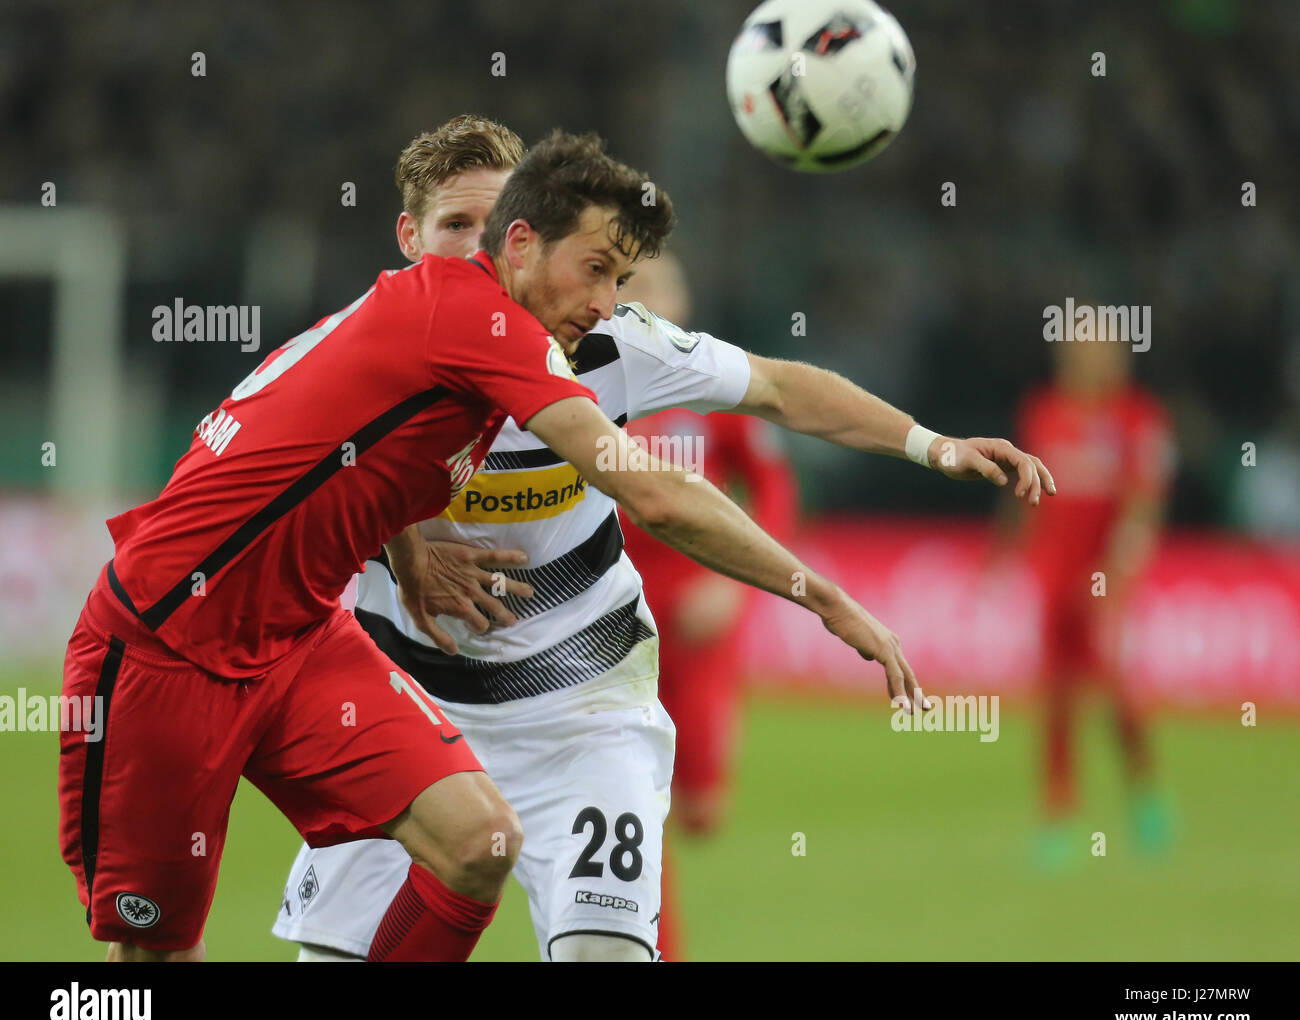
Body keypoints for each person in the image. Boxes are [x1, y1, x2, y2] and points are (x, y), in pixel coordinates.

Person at [60, 127, 941, 963]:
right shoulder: (482, 324)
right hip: (167, 641)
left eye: (621, 277)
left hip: (302, 638)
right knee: (155, 952)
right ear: (516, 244)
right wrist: (822, 595)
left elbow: (346, 453)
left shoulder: (487, 334)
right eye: (595, 269)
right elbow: (654, 494)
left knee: (478, 842)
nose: (606, 302)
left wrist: (404, 550)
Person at [273, 116, 1055, 963]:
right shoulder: (365, 344)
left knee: (603, 954)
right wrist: (403, 538)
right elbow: (279, 478)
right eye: (454, 227)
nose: (478, 246)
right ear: (408, 237)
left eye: (491, 223)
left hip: (580, 708)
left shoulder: (609, 341)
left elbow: (781, 391)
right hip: (406, 706)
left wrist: (930, 444)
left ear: (524, 234)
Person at [619, 251, 798, 960]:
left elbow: (776, 489)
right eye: (629, 286)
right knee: (635, 797)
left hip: (698, 628)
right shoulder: (588, 389)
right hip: (613, 628)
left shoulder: (716, 386)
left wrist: (736, 582)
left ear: (684, 298)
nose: (647, 300)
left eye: (660, 284)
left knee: (702, 815)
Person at [1012, 336, 1174, 864]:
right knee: (1056, 700)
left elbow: (1145, 502)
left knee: (1119, 695)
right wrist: (1011, 552)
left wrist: (1119, 570)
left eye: (1098, 345)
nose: (1087, 357)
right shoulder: (1044, 412)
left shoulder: (1137, 418)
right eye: (1079, 346)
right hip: (1055, 581)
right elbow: (1025, 495)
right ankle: (1058, 814)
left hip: (1104, 585)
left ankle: (1146, 795)